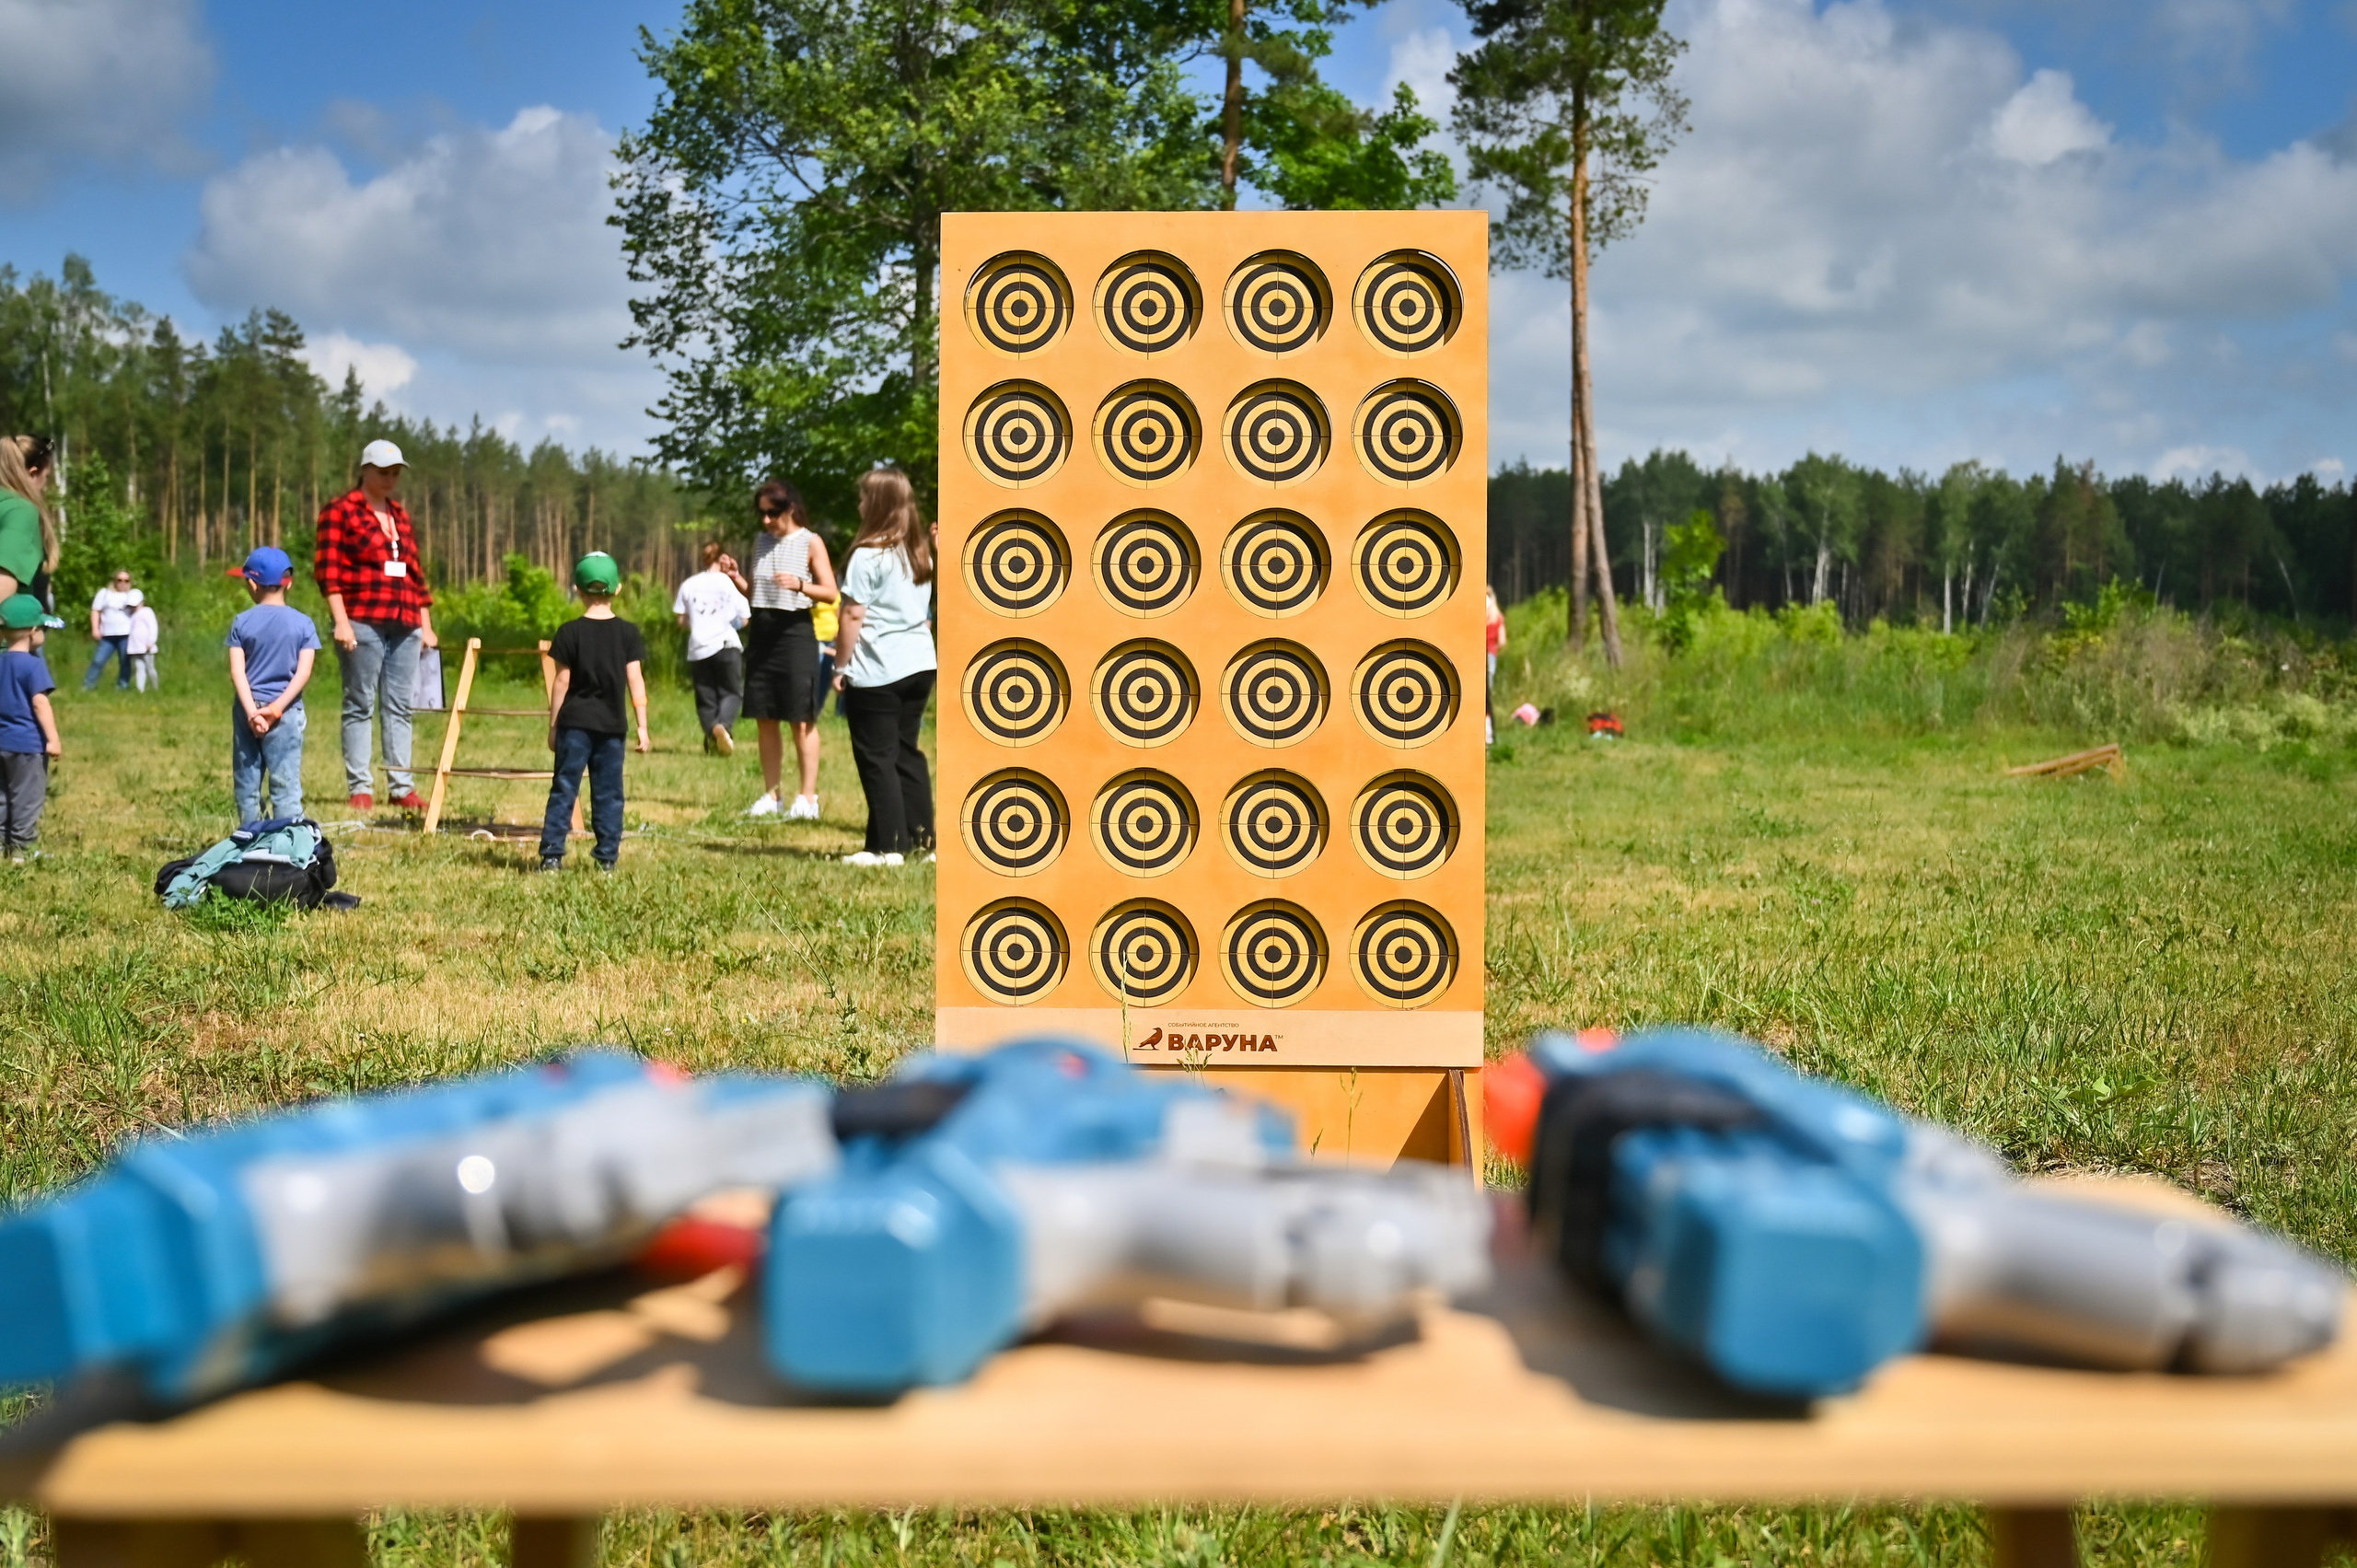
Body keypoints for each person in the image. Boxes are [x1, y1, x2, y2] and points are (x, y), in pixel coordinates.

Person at [313, 439, 439, 815]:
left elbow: (415, 572)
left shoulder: (399, 514)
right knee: (360, 703)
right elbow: (328, 572)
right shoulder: (340, 512)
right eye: (383, 473)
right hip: (361, 620)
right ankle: (361, 788)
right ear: (365, 470)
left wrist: (425, 623)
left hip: (405, 621)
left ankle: (401, 786)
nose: (390, 479)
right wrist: (341, 622)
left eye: (396, 473)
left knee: (400, 706)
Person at [832, 468, 936, 867]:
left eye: (862, 498)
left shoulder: (867, 555)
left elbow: (852, 616)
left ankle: (888, 847)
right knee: (906, 753)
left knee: (876, 756)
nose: (859, 505)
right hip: (920, 663)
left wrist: (840, 667)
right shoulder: (918, 551)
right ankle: (922, 841)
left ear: (875, 505)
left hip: (879, 667)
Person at [539, 552, 650, 873]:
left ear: (578, 589)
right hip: (612, 728)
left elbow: (562, 681)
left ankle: (552, 855)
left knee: (564, 787)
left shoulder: (569, 632)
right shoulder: (628, 634)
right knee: (609, 794)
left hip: (574, 726)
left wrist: (553, 725)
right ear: (617, 590)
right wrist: (642, 726)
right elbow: (635, 680)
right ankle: (606, 859)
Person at [738, 480, 836, 820]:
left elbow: (830, 591)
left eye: (773, 513)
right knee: (765, 717)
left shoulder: (811, 541)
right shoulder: (761, 542)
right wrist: (738, 579)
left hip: (795, 634)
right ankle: (771, 794)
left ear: (790, 509)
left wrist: (800, 584)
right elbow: (756, 591)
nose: (766, 520)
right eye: (761, 513)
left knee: (800, 718)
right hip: (763, 634)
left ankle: (807, 798)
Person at [225, 547, 320, 826]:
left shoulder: (241, 622)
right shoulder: (304, 624)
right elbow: (303, 673)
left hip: (247, 711)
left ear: (252, 584)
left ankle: (249, 840)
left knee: (247, 781)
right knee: (285, 782)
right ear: (287, 582)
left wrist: (252, 712)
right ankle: (288, 843)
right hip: (286, 712)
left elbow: (237, 672)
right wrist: (276, 709)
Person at [0, 593, 61, 862]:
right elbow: (40, 704)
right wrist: (52, 739)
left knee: (2, 796)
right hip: (27, 745)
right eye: (44, 629)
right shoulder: (33, 666)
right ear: (34, 632)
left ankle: (2, 844)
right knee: (26, 797)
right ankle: (22, 850)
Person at [673, 541, 749, 755]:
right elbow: (744, 618)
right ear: (722, 558)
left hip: (698, 647)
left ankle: (713, 736)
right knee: (732, 692)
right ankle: (723, 726)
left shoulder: (689, 584)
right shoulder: (728, 583)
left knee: (706, 698)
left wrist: (697, 623)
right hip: (726, 644)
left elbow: (681, 620)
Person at [0, 436, 60, 609]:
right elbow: (3, 583)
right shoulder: (20, 511)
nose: (46, 486)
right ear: (33, 473)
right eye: (46, 477)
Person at [85, 569, 143, 691]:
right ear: (114, 581)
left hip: (126, 634)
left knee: (125, 662)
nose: (123, 583)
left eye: (126, 580)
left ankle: (122, 687)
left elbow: (140, 613)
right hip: (107, 635)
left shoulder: (133, 595)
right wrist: (95, 628)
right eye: (120, 580)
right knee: (98, 661)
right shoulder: (104, 593)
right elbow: (96, 610)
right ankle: (88, 686)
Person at [1484, 584, 1506, 747]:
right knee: (1488, 694)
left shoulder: (1481, 614)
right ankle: (1489, 733)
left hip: (1478, 654)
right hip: (1491, 654)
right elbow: (1502, 641)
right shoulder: (1497, 616)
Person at [127, 600, 160, 691]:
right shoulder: (131, 614)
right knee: (139, 668)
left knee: (150, 668)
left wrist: (151, 641)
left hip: (146, 647)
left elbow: (153, 626)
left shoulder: (147, 612)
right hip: (136, 647)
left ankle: (155, 687)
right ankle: (140, 690)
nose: (133, 607)